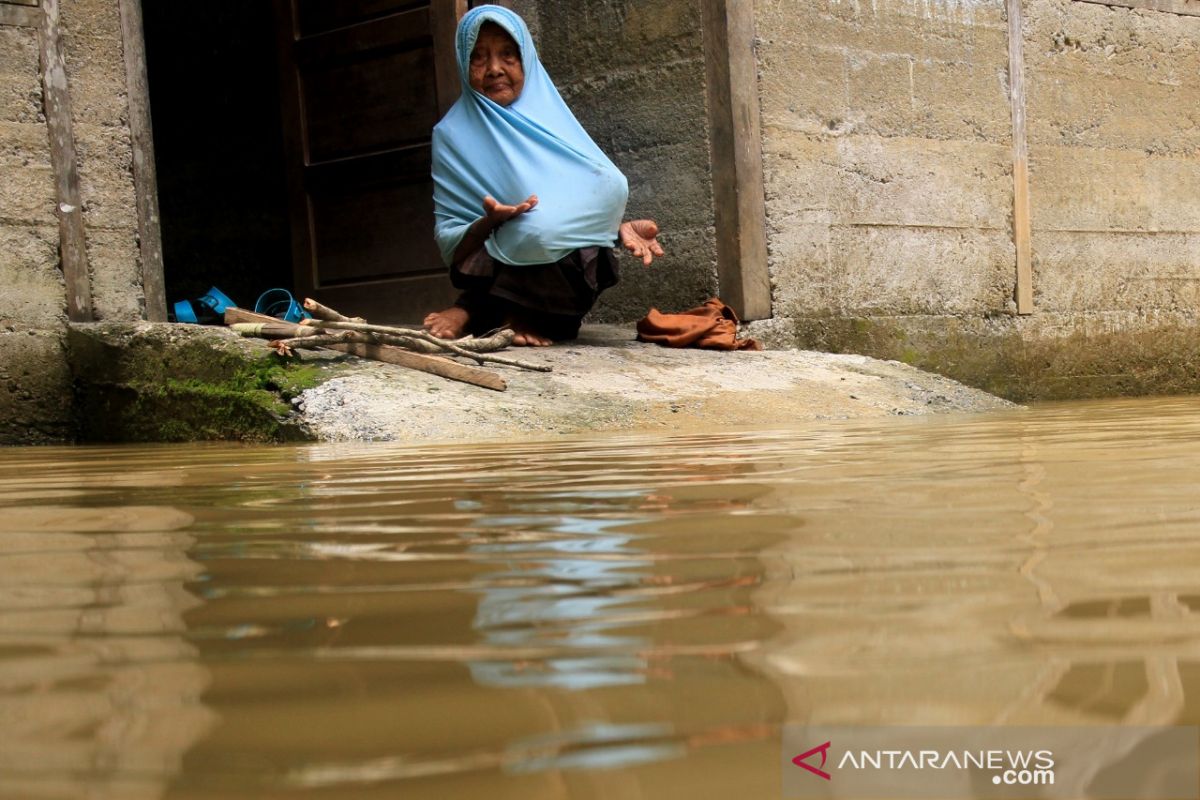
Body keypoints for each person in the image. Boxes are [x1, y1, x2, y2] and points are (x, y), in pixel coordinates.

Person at [423, 5, 664, 347]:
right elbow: (451, 238)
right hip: (492, 260)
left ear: (527, 61)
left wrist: (612, 229)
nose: (494, 69)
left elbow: (601, 187)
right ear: (463, 63)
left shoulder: (552, 122)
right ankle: (481, 311)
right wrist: (487, 222)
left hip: (561, 270)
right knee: (526, 230)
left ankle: (482, 314)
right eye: (478, 57)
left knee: (546, 231)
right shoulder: (451, 134)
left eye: (508, 55)